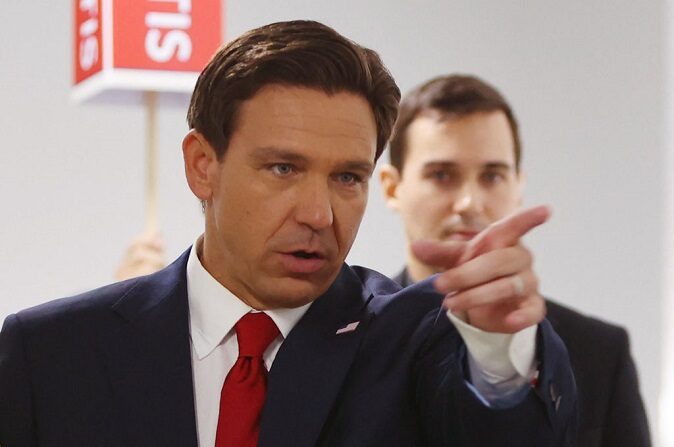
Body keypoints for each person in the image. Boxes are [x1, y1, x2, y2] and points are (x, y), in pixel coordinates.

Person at [0, 21, 577, 446]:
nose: (320, 214)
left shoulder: (413, 340)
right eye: (284, 169)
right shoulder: (50, 352)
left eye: (348, 177)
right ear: (203, 165)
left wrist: (499, 352)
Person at [379, 74, 650, 447]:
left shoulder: (600, 354)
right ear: (392, 188)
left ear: (518, 187)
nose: (470, 202)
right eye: (442, 175)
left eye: (492, 176)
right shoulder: (348, 344)